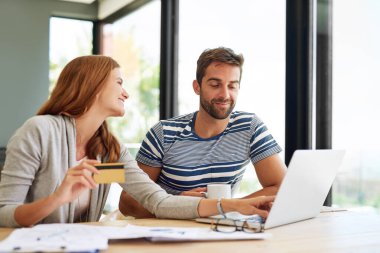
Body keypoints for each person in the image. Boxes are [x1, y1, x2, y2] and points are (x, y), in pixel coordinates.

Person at [0, 55, 275, 228]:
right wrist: (58, 198)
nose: (126, 93)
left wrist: (234, 205)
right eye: (119, 83)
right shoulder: (39, 132)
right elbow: (4, 213)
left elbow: (157, 201)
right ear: (93, 86)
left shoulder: (109, 152)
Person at [119, 47, 286, 218]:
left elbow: (283, 186)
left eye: (232, 86)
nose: (225, 94)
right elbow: (127, 202)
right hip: (171, 232)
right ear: (197, 87)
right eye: (215, 85)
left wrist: (232, 207)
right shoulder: (163, 134)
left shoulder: (249, 127)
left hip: (220, 230)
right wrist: (177, 203)